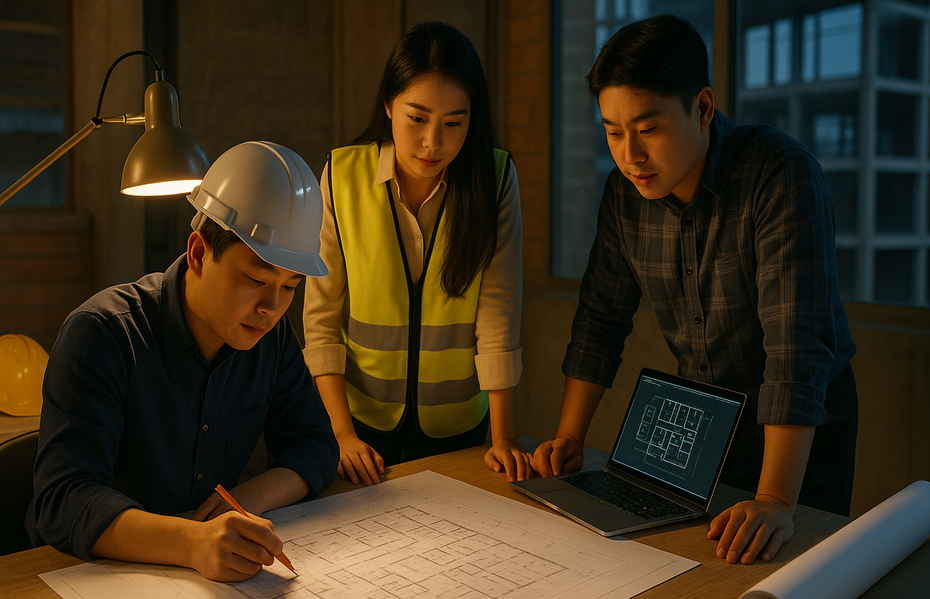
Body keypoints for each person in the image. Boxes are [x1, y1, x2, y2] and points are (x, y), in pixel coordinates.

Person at [533, 15, 858, 566]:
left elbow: (796, 350)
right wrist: (569, 437)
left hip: (799, 431)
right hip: (705, 419)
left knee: (787, 574)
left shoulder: (779, 174)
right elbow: (600, 318)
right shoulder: (623, 192)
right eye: (613, 132)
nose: (630, 154)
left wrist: (777, 499)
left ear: (703, 108)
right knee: (691, 568)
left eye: (649, 128)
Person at [26, 141, 339, 582]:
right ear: (197, 253)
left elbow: (317, 446)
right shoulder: (103, 335)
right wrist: (192, 542)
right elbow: (62, 501)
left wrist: (250, 497)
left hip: (201, 583)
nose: (272, 307)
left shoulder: (269, 337)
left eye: (291, 286)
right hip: (90, 581)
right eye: (256, 279)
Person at [302, 22, 529, 486]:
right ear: (388, 104)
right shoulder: (341, 177)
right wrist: (341, 435)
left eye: (453, 123)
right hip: (358, 428)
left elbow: (498, 313)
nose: (433, 142)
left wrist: (503, 437)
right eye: (417, 118)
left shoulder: (495, 179)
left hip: (461, 429)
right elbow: (321, 319)